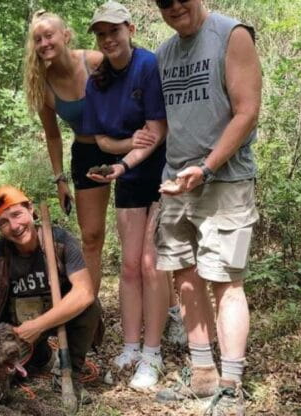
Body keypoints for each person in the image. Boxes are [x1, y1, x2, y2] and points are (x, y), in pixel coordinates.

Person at [152, 0, 262, 414]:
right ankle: (202, 374)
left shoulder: (232, 35)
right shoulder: (164, 53)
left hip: (225, 181)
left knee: (226, 281)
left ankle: (231, 386)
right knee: (184, 274)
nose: (173, 6)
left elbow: (247, 112)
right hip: (177, 182)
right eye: (163, 1)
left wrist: (207, 167)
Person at [80, 1, 169, 390]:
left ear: (130, 29)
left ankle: (153, 352)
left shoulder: (148, 65)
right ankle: (131, 345)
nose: (108, 39)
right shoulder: (96, 81)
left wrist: (123, 161)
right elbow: (100, 139)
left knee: (152, 264)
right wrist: (126, 149)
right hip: (128, 175)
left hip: (162, 174)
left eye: (114, 30)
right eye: (101, 34)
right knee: (130, 266)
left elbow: (158, 131)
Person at [0, 185, 101, 401]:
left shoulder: (60, 241)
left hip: (59, 318)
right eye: (4, 222)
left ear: (30, 209)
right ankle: (40, 357)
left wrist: (38, 325)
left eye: (17, 214)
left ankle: (70, 373)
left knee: (90, 307)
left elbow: (85, 292)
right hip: (18, 330)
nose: (14, 226)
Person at [22, 10, 108, 295]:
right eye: (38, 39)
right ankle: (89, 307)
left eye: (49, 35)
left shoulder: (95, 62)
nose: (44, 43)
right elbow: (53, 135)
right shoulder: (42, 84)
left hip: (127, 146)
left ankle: (170, 307)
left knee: (143, 234)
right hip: (87, 152)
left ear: (66, 35)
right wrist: (60, 179)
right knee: (91, 236)